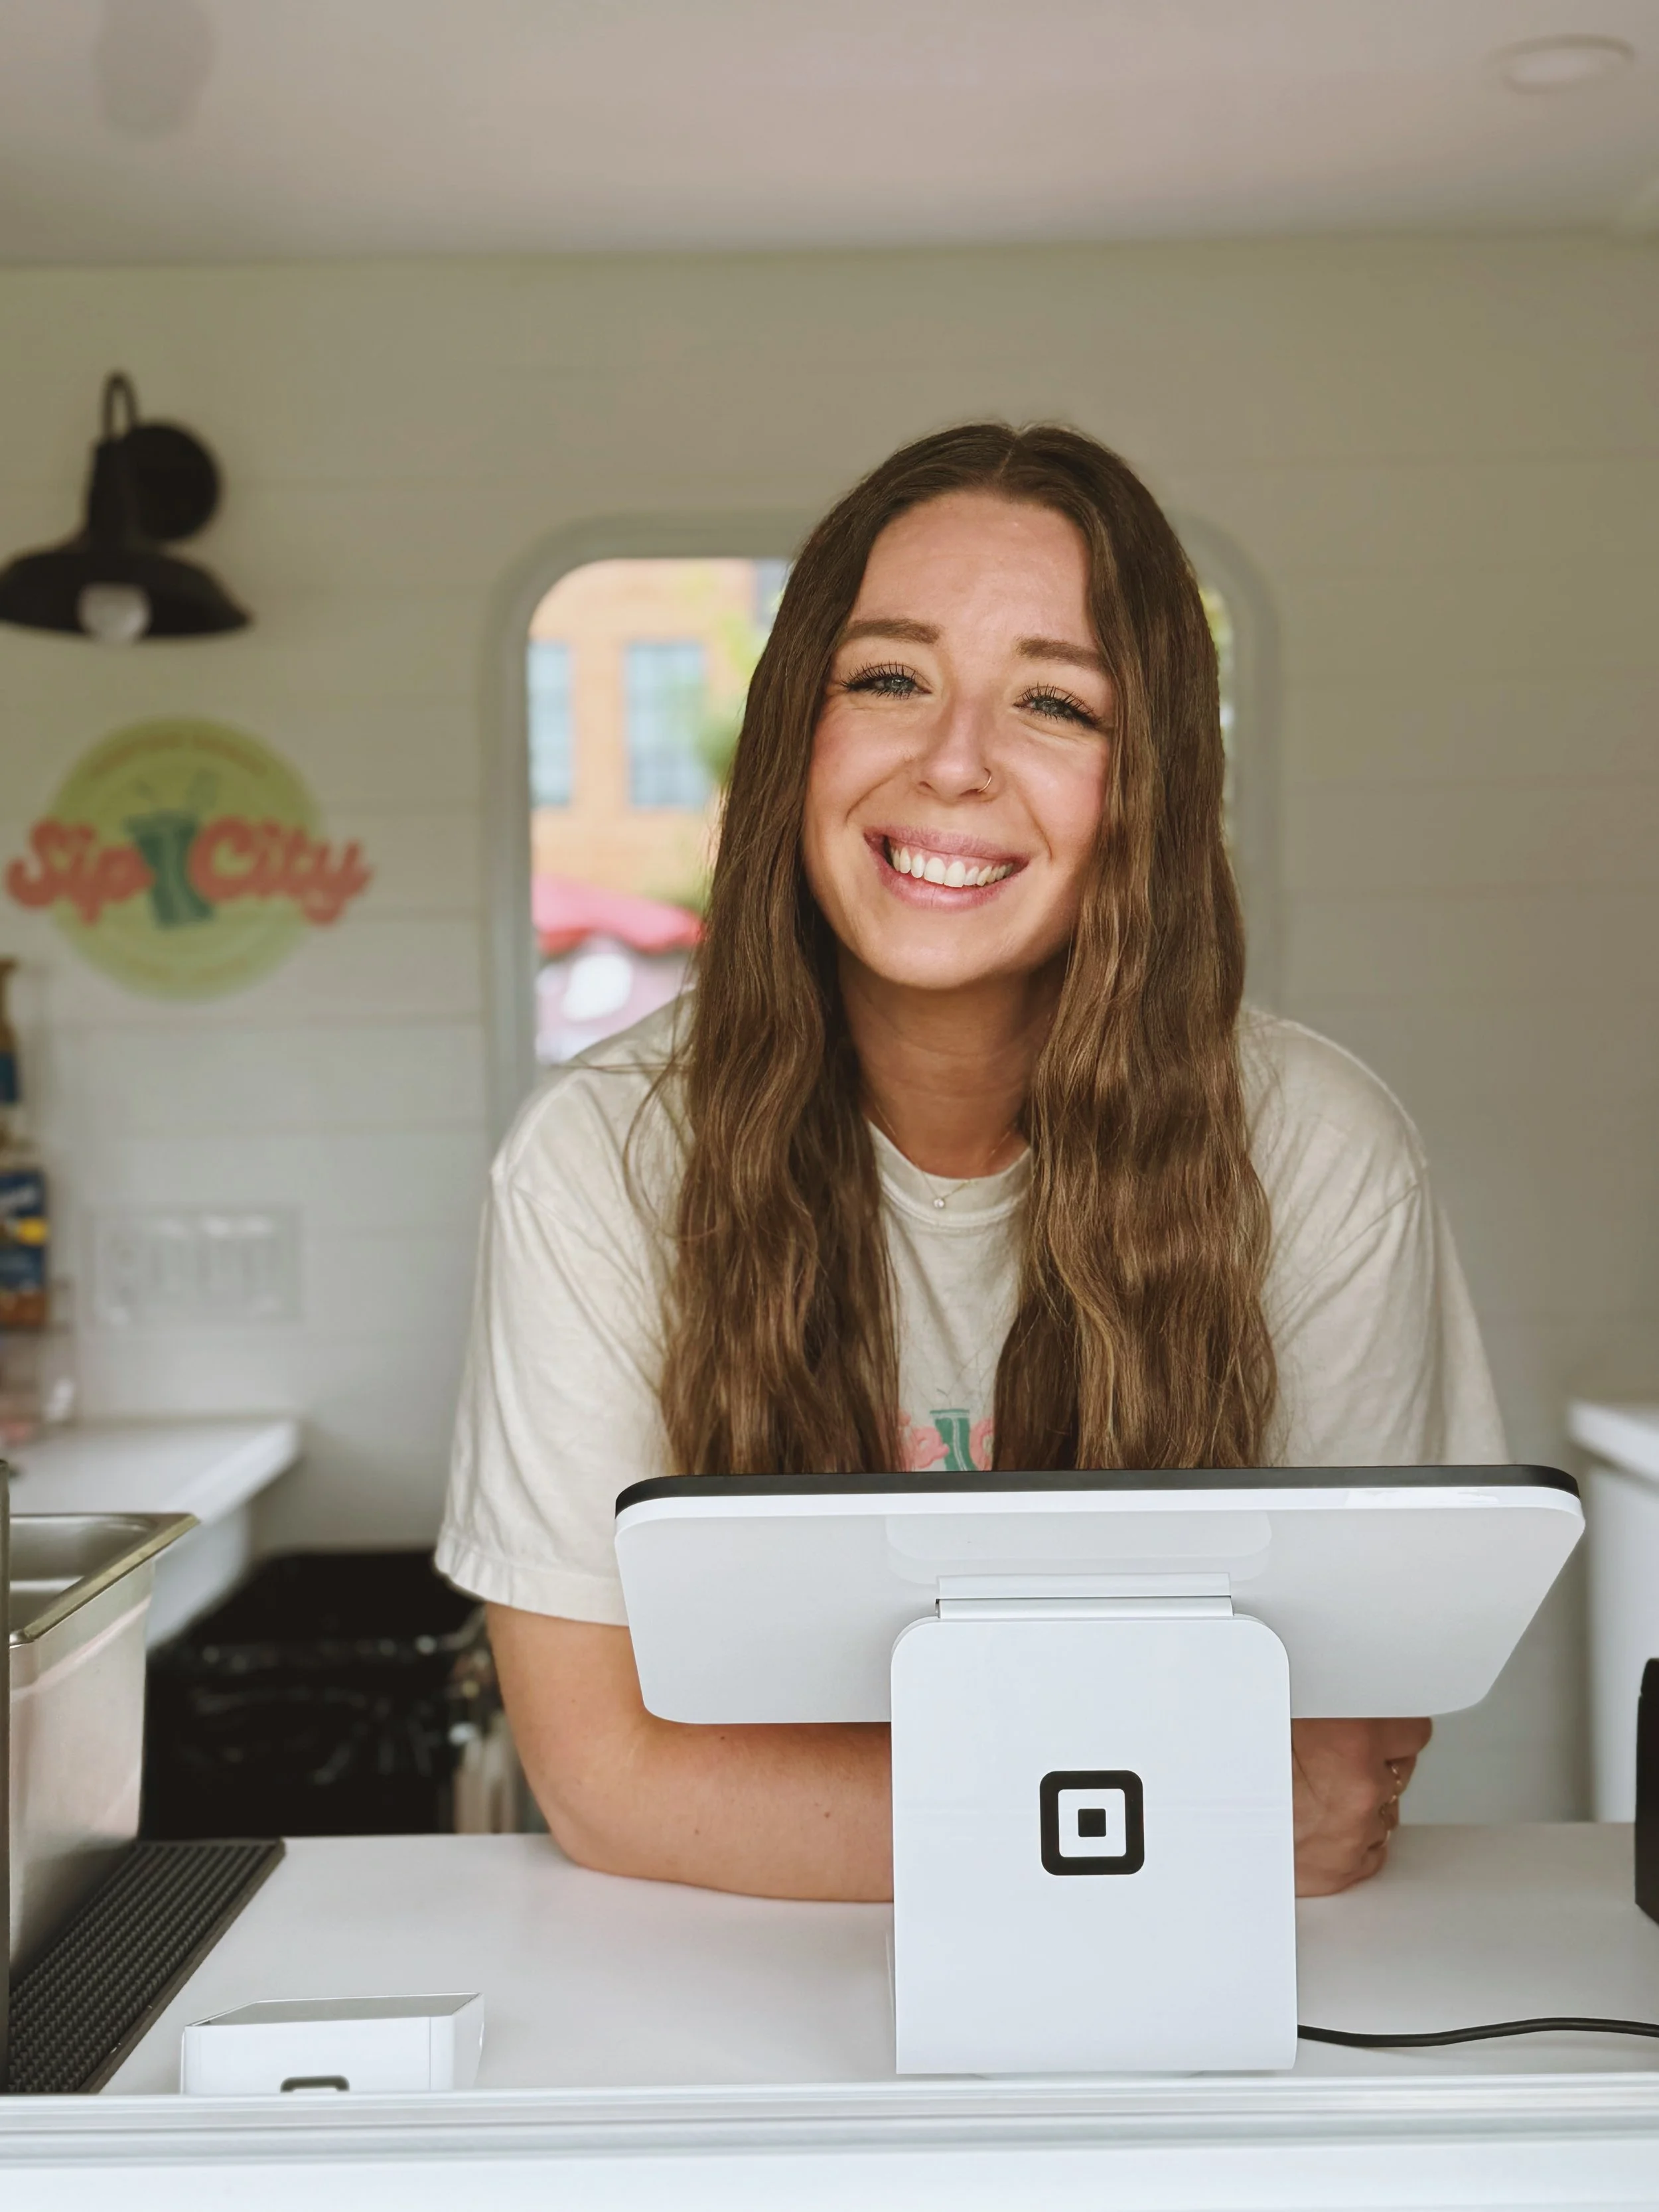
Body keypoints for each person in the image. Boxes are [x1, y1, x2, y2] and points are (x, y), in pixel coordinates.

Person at [438, 422, 1503, 1904]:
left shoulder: (1317, 1153)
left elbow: (1331, 1763)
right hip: (724, 1982)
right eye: (887, 679)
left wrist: (838, 1804)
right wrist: (1178, 1810)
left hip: (1190, 2001)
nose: (952, 764)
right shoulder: (599, 1158)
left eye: (1055, 704)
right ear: (790, 737)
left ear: (1149, 784)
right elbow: (603, 1777)